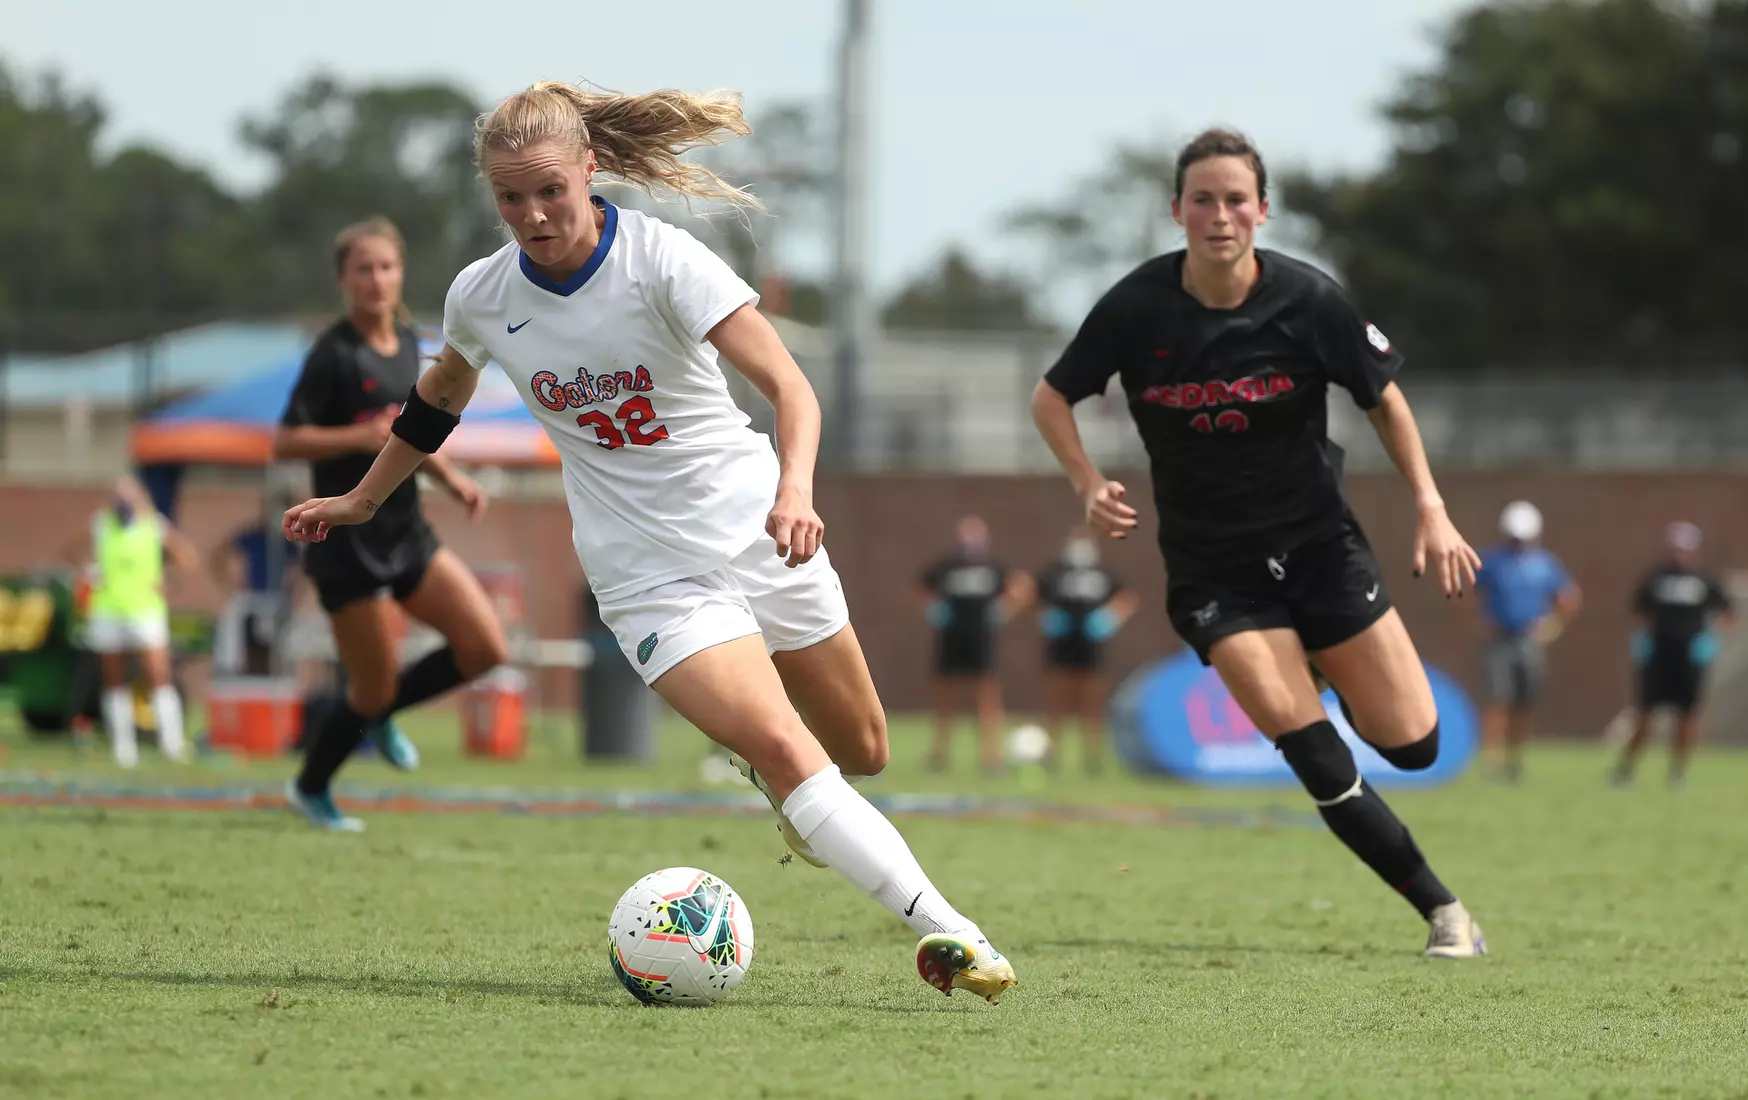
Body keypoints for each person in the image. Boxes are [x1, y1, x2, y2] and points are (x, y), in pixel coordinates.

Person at [279, 81, 1015, 1001]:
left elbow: (792, 390)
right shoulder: (482, 292)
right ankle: (952, 933)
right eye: (510, 197)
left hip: (760, 529)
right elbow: (437, 399)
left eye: (549, 189)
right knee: (796, 757)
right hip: (647, 576)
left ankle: (780, 778)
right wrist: (358, 497)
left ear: (591, 169)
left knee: (861, 752)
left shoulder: (665, 261)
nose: (533, 215)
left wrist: (795, 491)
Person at [1031, 128, 1488, 958]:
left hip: (1320, 549)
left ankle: (1321, 658)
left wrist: (1432, 506)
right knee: (1314, 753)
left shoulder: (1311, 300)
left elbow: (1384, 399)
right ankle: (1444, 912)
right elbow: (1052, 396)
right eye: (1201, 198)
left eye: (1235, 198)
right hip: (1216, 574)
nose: (1219, 214)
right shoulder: (1136, 308)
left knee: (1415, 745)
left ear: (1262, 211)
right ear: (1176, 211)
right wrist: (1087, 483)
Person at [274, 217, 508, 830]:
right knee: (370, 687)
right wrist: (359, 434)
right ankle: (311, 785)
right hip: (346, 544)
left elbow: (416, 429)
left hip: (408, 534)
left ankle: (377, 716)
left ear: (400, 272)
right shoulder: (332, 354)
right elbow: (287, 441)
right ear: (343, 278)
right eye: (363, 268)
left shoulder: (411, 341)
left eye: (386, 266)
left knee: (486, 647)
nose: (376, 279)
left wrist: (453, 480)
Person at [61, 476, 198, 767]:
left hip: (145, 610)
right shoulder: (101, 524)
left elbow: (186, 557)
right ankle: (124, 747)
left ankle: (171, 743)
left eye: (129, 495)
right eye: (118, 495)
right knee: (114, 678)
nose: (123, 502)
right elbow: (70, 551)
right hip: (108, 609)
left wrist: (169, 585)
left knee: (159, 675)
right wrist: (88, 572)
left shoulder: (153, 525)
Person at [1612, 522, 1733, 788]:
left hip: (1690, 659)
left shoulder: (1705, 579)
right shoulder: (1657, 577)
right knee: (1645, 713)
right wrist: (1642, 638)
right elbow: (1638, 609)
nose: (1681, 554)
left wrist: (1711, 639)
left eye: (1686, 549)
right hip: (1658, 657)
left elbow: (1728, 612)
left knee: (1687, 716)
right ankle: (1626, 769)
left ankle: (1678, 772)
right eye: (1678, 548)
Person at [1475, 500, 1582, 783]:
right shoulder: (1493, 561)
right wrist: (1480, 621)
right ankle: (1492, 762)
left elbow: (1569, 597)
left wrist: (1552, 627)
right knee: (1498, 699)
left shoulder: (1545, 564)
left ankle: (1515, 761)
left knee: (1524, 702)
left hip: (1528, 641)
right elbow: (1466, 589)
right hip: (1500, 640)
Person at [916, 515, 1032, 774]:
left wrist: (1005, 609)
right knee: (946, 700)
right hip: (951, 640)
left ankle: (991, 756)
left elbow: (1022, 586)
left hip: (982, 641)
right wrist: (932, 609)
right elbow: (920, 587)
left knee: (987, 699)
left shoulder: (994, 567)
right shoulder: (945, 567)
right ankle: (939, 754)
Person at [1035, 527, 1137, 773]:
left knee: (1091, 704)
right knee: (1056, 702)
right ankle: (1052, 753)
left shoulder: (1103, 574)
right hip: (1061, 646)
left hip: (1092, 647)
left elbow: (1128, 599)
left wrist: (1109, 619)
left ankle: (1092, 756)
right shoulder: (1055, 573)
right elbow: (1032, 595)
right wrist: (1045, 617)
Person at [209, 512, 301, 677]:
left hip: (276, 598)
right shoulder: (255, 535)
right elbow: (221, 552)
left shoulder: (288, 539)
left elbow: (301, 567)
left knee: (283, 633)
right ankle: (229, 668)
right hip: (252, 596)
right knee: (232, 615)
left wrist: (294, 591)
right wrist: (230, 583)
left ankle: (283, 671)